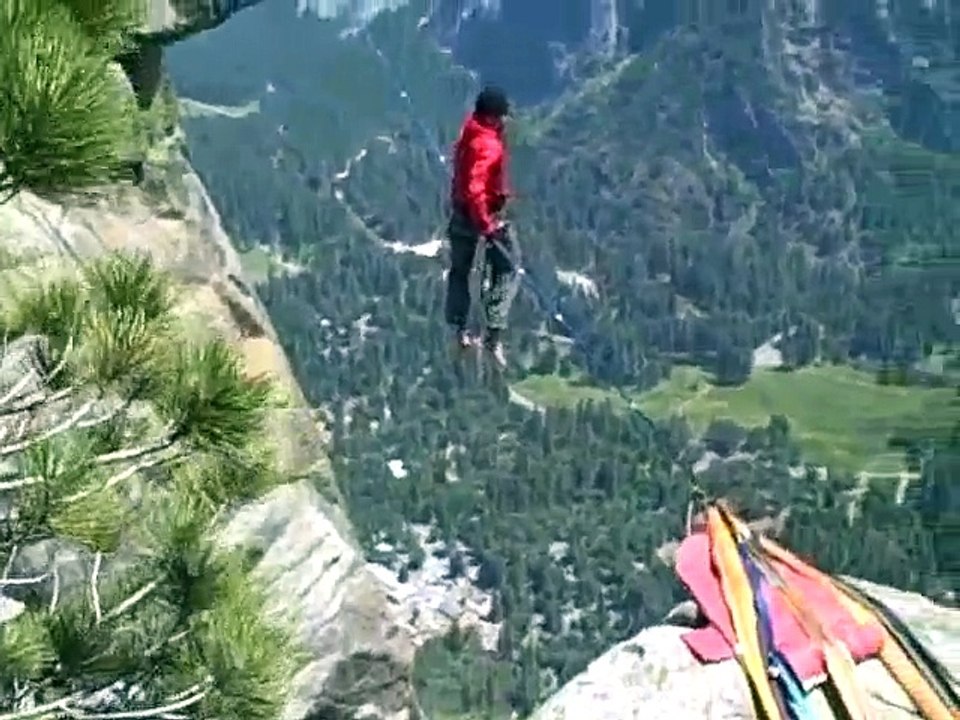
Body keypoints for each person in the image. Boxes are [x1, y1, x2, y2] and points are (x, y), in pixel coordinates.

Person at [445, 84, 519, 370]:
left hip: (461, 212)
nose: (503, 121)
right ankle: (493, 333)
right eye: (501, 116)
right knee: (509, 266)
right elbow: (477, 186)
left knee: (460, 271)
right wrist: (487, 225)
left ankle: (458, 329)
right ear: (492, 117)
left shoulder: (470, 128)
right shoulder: (487, 144)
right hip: (483, 214)